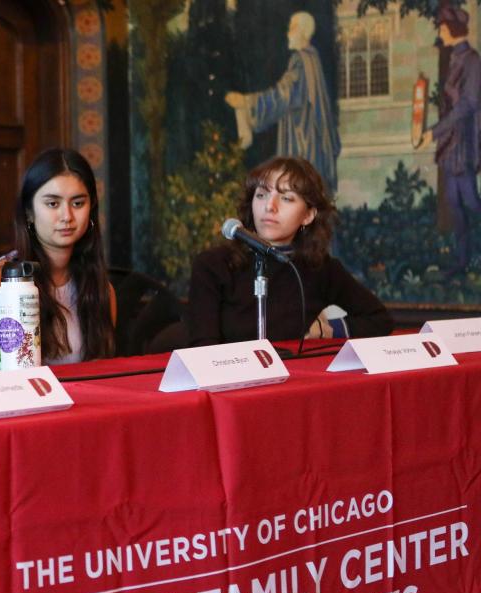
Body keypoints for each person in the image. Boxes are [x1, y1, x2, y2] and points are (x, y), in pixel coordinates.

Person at [188, 156, 393, 347]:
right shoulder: (213, 265)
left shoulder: (319, 268)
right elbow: (203, 349)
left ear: (308, 215)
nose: (270, 206)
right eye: (261, 195)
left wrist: (330, 329)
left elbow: (379, 319)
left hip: (294, 381)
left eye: (286, 198)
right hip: (230, 382)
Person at [0, 148, 116, 370]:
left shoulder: (101, 288)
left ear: (91, 208)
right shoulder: (4, 283)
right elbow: (19, 373)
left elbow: (101, 370)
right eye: (53, 204)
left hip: (79, 401)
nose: (67, 216)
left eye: (78, 203)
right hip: (10, 399)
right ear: (29, 211)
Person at [225, 11, 341, 194]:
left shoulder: (300, 61)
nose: (288, 33)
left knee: (296, 191)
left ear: (303, 32)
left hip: (302, 144)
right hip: (310, 143)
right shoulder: (312, 59)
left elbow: (282, 96)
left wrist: (247, 102)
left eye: (292, 28)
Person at [418, 7, 481, 278]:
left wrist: (434, 131)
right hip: (451, 143)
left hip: (464, 141)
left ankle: (467, 259)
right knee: (455, 204)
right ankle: (461, 262)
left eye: (443, 28)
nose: (440, 32)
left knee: (470, 202)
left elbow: (467, 105)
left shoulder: (472, 60)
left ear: (453, 30)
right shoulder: (456, 56)